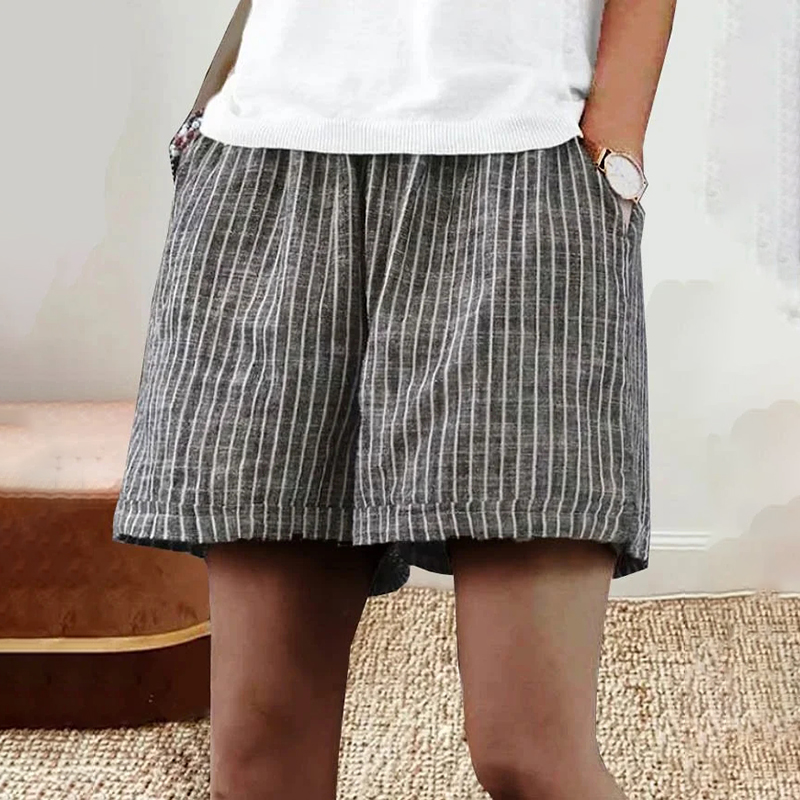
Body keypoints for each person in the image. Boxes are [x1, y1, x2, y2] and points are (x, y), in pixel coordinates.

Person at [113, 0, 676, 797]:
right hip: (267, 161)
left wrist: (615, 136)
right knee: (261, 756)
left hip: (523, 162)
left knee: (529, 751)